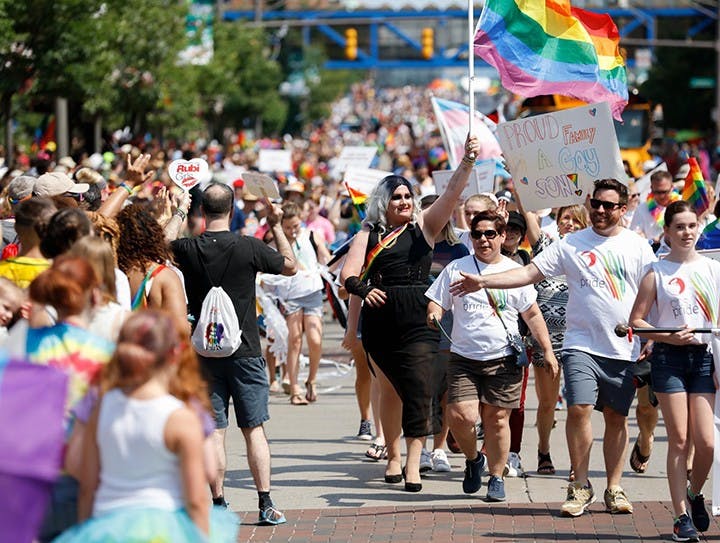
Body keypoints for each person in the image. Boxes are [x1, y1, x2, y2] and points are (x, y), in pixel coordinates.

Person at [450, 179, 656, 517]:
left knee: (617, 417)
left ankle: (614, 487)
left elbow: (653, 294)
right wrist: (484, 280)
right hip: (579, 344)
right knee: (579, 409)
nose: (600, 210)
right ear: (589, 203)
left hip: (622, 346)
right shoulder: (571, 244)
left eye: (608, 205)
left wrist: (651, 337)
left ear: (622, 209)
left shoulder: (638, 246)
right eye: (596, 204)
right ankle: (580, 485)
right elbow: (529, 272)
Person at [340, 135, 482, 493]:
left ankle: (413, 464)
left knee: (419, 389)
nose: (403, 201)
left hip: (419, 316)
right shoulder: (369, 234)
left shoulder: (426, 227)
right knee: (388, 389)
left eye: (407, 196)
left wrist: (466, 162)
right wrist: (364, 289)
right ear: (383, 202)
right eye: (396, 197)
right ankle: (391, 455)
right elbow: (348, 276)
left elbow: (450, 194)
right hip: (381, 319)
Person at [170, 182, 297, 524]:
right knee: (253, 429)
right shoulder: (248, 247)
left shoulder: (188, 247)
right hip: (246, 351)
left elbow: (160, 245)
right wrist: (275, 224)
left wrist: (178, 208)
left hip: (204, 352)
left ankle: (217, 502)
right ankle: (265, 503)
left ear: (201, 211)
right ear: (232, 208)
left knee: (213, 431)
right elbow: (290, 265)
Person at [53, 310, 238, 543]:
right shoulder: (181, 417)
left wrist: (86, 529)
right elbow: (197, 496)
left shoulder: (102, 407)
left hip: (109, 526)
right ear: (174, 353)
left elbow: (87, 486)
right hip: (166, 528)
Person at [426, 211, 558, 502]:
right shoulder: (457, 268)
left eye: (489, 234)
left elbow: (532, 314)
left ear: (501, 237)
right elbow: (437, 300)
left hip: (504, 357)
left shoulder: (514, 272)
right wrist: (434, 314)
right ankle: (474, 460)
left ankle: (496, 476)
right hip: (464, 357)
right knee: (461, 416)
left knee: (498, 420)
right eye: (477, 234)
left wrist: (547, 351)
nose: (483, 240)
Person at [629, 200, 716, 542]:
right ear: (666, 232)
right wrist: (667, 336)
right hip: (668, 359)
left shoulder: (713, 270)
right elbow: (636, 320)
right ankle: (681, 516)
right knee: (679, 439)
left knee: (706, 443)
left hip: (706, 359)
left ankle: (695, 494)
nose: (686, 232)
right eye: (679, 227)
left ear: (699, 228)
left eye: (692, 226)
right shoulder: (656, 272)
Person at [515, 196, 589, 477]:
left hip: (579, 341)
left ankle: (577, 463)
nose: (569, 223)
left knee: (578, 406)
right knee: (547, 404)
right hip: (546, 342)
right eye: (565, 219)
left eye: (575, 219)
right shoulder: (545, 247)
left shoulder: (589, 256)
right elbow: (528, 214)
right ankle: (543, 450)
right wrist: (520, 181)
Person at [262, 201, 330, 405]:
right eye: (288, 228)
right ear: (281, 226)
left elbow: (326, 257)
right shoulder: (276, 243)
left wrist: (328, 260)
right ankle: (294, 387)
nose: (292, 231)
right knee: (294, 340)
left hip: (312, 291)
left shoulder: (310, 235)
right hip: (290, 295)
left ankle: (312, 379)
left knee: (315, 338)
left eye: (296, 226)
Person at [630, 170, 678, 247]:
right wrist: (652, 240)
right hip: (653, 251)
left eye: (664, 191)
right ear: (651, 188)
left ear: (672, 187)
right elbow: (634, 236)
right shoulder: (642, 209)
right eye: (657, 192)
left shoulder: (681, 204)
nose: (661, 196)